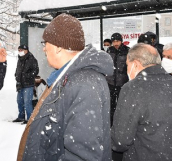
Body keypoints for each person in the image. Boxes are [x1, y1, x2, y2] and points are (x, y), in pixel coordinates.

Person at [17, 13, 113, 161]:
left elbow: (83, 155)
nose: (43, 49)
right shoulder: (68, 77)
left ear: (58, 47)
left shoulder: (84, 84)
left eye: (45, 43)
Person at [111, 43, 172, 161]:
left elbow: (120, 141)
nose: (126, 70)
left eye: (127, 65)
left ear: (135, 64)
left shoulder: (133, 88)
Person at [106, 33, 129, 126]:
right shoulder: (109, 50)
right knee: (110, 104)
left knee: (122, 104)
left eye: (118, 41)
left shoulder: (127, 51)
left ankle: (121, 122)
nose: (116, 43)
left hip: (122, 82)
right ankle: (111, 122)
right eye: (114, 41)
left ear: (121, 41)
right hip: (110, 82)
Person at [13, 45, 39, 124]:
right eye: (18, 50)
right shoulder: (20, 59)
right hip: (20, 84)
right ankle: (21, 117)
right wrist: (16, 75)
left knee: (27, 102)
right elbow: (18, 69)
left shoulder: (32, 59)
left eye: (21, 50)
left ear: (26, 50)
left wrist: (27, 76)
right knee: (19, 101)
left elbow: (36, 70)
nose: (19, 51)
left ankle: (29, 119)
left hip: (28, 84)